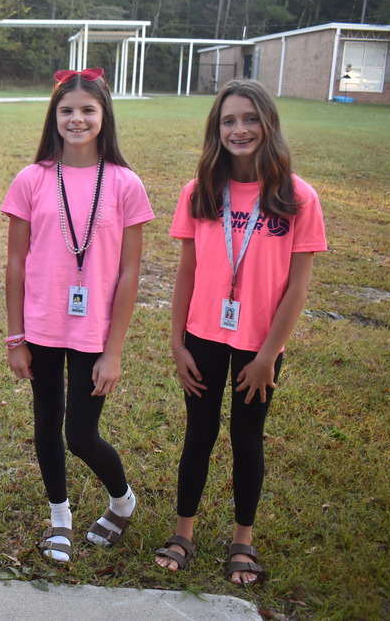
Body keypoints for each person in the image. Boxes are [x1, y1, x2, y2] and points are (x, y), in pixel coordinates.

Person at [154, 79, 327, 585]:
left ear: (268, 124)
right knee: (199, 434)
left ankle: (242, 541)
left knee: (247, 437)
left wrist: (269, 355)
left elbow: (297, 288)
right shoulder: (201, 191)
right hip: (203, 336)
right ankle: (183, 530)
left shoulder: (297, 197)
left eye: (250, 118)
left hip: (259, 345)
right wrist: (177, 342)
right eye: (228, 120)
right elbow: (185, 271)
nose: (240, 129)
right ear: (216, 130)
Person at [1, 69, 154, 563]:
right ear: (54, 117)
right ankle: (59, 517)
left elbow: (130, 273)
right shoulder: (32, 178)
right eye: (67, 110)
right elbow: (17, 263)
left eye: (88, 109)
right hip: (42, 325)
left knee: (81, 434)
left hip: (94, 332)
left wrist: (114, 351)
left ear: (104, 117)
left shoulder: (126, 184)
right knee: (46, 422)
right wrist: (15, 337)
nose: (77, 118)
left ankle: (122, 501)